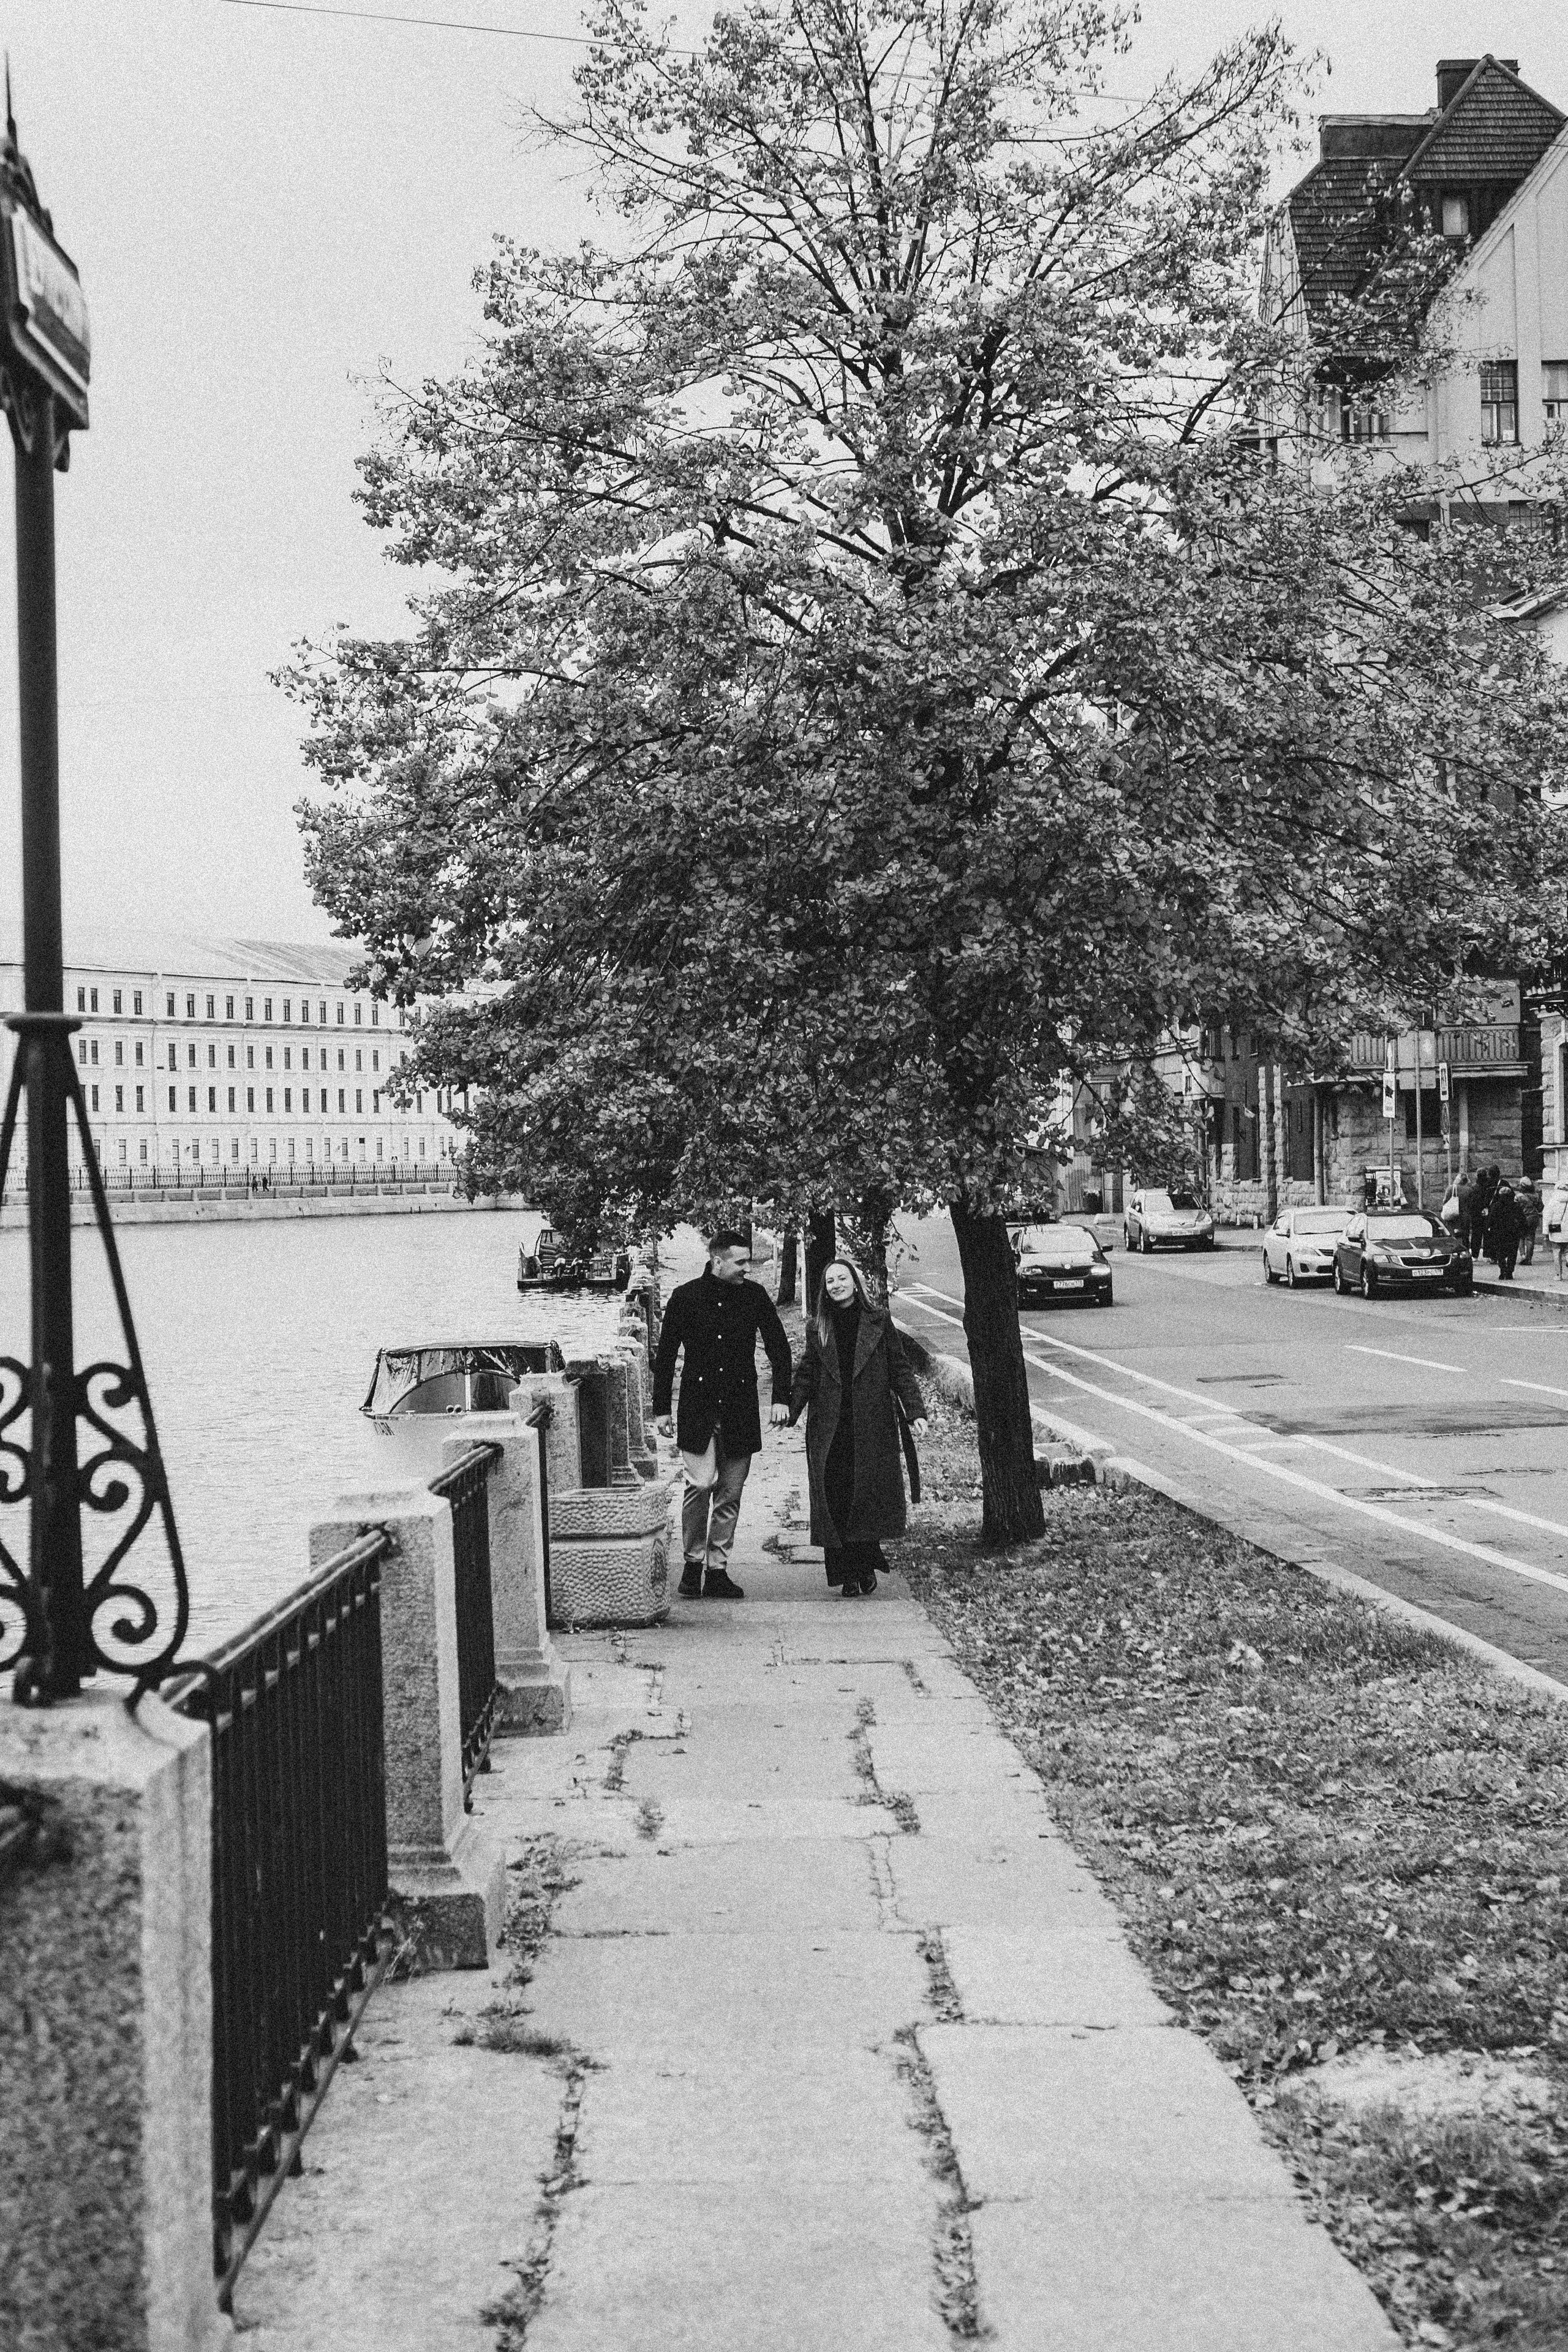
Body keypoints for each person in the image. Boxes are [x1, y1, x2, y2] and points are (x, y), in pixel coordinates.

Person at [652, 1229, 792, 1600]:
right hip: (697, 1408)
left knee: (730, 1493)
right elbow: (665, 1356)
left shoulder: (754, 1296)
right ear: (718, 1261)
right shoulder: (685, 1297)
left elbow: (779, 1348)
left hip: (739, 1407)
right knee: (699, 1485)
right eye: (741, 1262)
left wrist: (781, 1398)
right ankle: (692, 1563)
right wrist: (661, 1408)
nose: (748, 1268)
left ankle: (717, 1570)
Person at [790, 1259, 928, 1596]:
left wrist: (915, 1411)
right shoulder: (818, 1327)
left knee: (865, 1495)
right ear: (825, 1289)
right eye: (830, 1281)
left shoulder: (878, 1320)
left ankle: (865, 1565)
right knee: (835, 1496)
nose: (836, 1285)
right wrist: (789, 1410)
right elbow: (808, 1372)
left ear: (855, 1283)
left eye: (842, 1278)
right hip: (829, 1426)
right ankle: (845, 1574)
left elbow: (899, 1367)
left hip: (871, 1423)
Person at [1487, 1178, 1521, 1281]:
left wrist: (1489, 1229)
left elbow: (1491, 1219)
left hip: (1499, 1232)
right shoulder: (1515, 1205)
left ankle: (1503, 1271)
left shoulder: (1496, 1206)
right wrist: (1521, 1230)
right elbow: (1521, 1219)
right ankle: (1510, 1272)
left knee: (1500, 1253)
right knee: (1512, 1253)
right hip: (1513, 1232)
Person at [1472, 1164, 1500, 1259]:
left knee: (1476, 1234)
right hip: (1488, 1212)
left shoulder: (1475, 1187)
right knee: (1487, 1234)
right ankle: (1487, 1255)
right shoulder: (1490, 1185)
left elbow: (1473, 1201)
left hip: (1477, 1213)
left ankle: (1475, 1255)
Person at [1518, 1175, 1543, 1267]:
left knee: (1521, 1237)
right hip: (1534, 1218)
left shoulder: (1519, 1196)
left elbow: (1516, 1209)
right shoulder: (1536, 1196)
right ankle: (1529, 1259)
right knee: (1531, 1238)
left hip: (1523, 1218)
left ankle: (1523, 1255)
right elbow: (1541, 1208)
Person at [1454, 1169, 1475, 1253]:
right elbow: (1472, 1204)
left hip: (1453, 1215)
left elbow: (1445, 1202)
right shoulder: (1469, 1190)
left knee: (1454, 1234)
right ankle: (1466, 1252)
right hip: (1466, 1216)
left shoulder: (1452, 1189)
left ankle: (1455, 1252)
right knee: (1465, 1235)